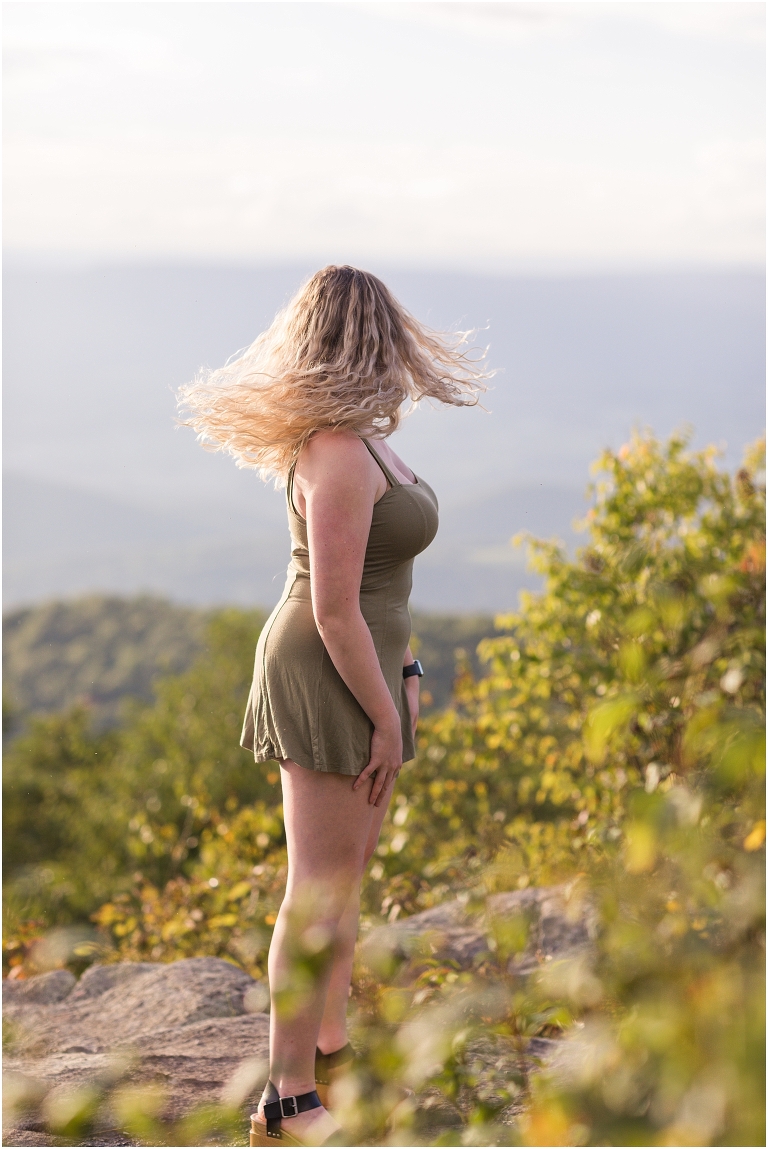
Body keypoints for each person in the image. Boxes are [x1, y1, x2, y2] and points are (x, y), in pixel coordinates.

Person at [178, 266, 485, 1146]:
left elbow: (380, 585)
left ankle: (331, 1052)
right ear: (369, 338)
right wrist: (385, 715)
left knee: (343, 884)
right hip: (329, 670)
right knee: (315, 893)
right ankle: (286, 1099)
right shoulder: (340, 454)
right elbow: (334, 608)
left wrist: (407, 665)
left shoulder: (363, 441)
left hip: (368, 668)